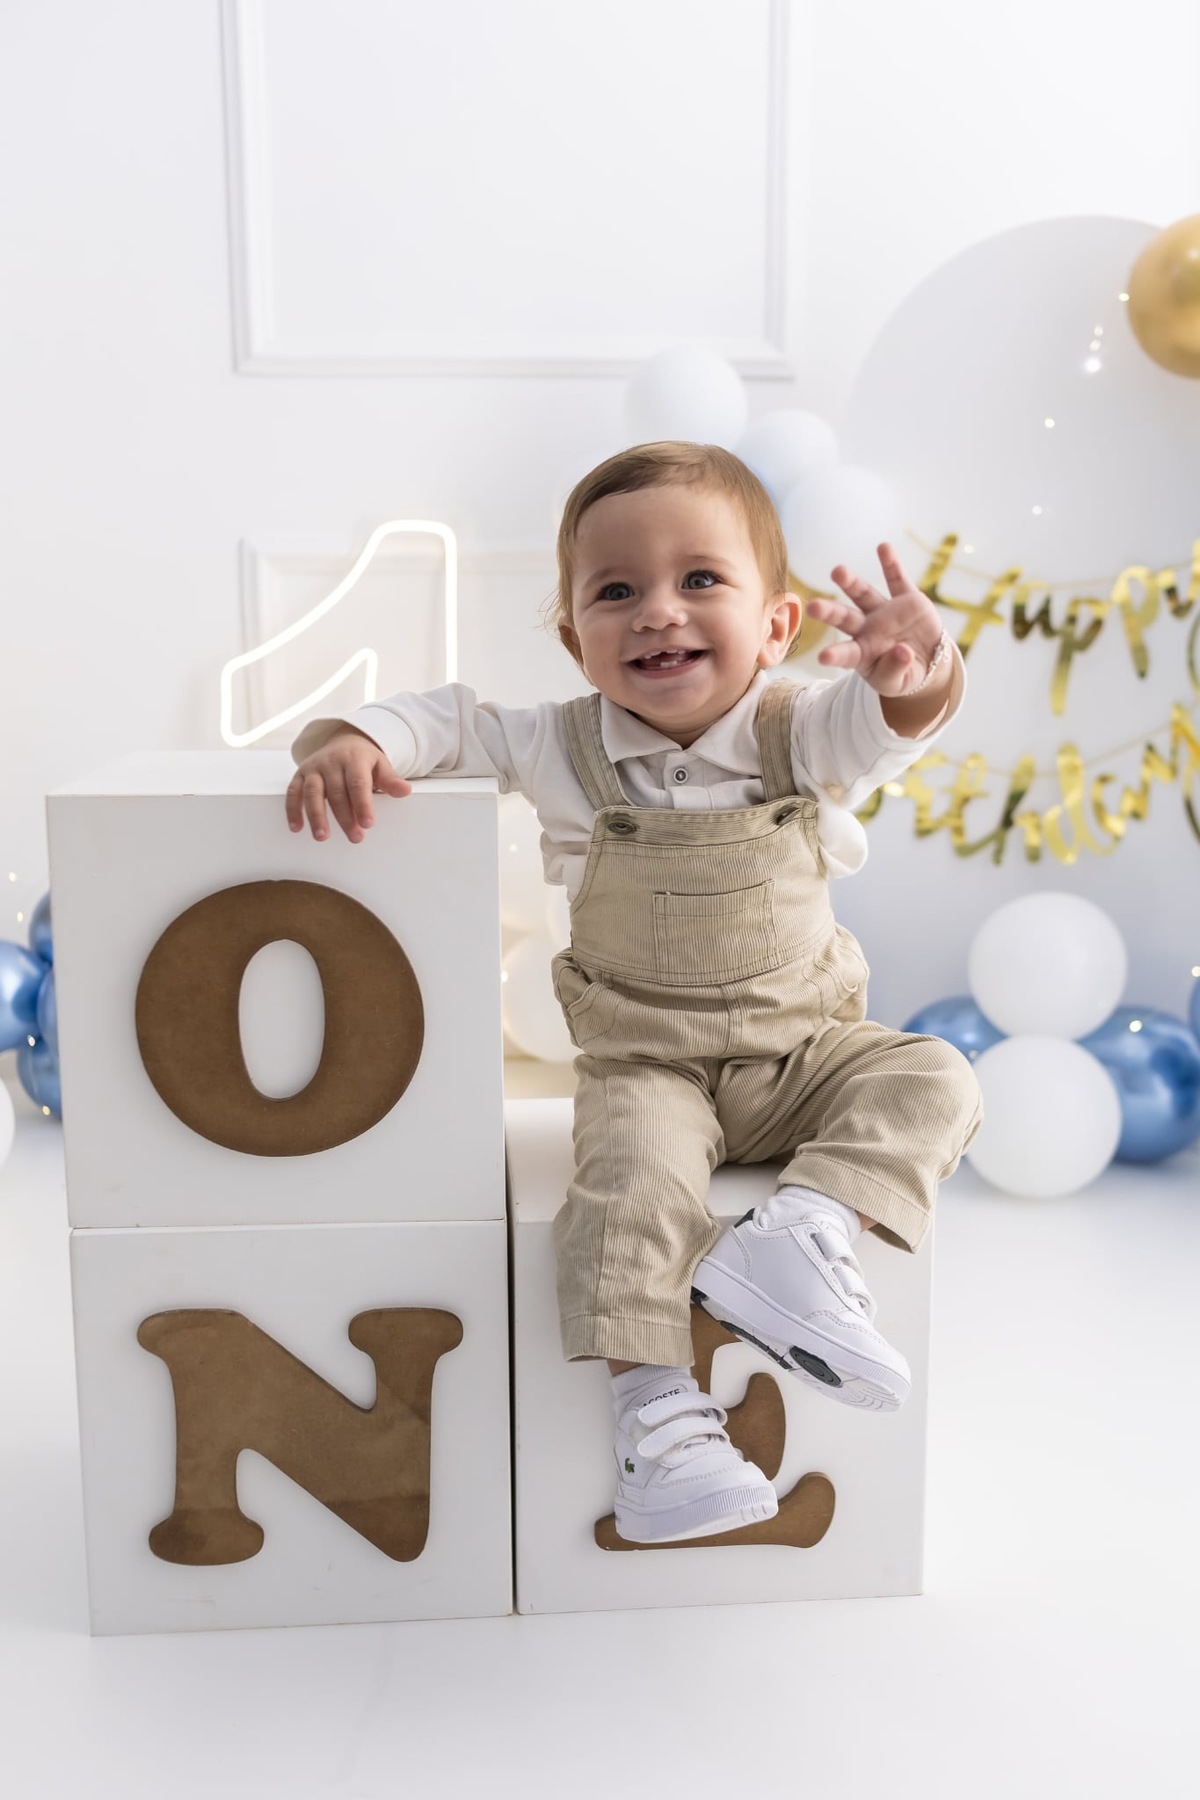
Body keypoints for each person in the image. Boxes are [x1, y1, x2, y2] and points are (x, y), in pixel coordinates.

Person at [287, 441, 983, 1546]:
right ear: (576, 638)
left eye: (700, 579)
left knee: (934, 1072)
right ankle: (658, 1421)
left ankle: (802, 1232)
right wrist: (351, 738)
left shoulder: (799, 728)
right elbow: (444, 718)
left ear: (775, 628)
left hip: (804, 1059)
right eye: (617, 591)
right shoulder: (558, 747)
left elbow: (896, 719)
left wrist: (919, 670)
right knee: (628, 1192)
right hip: (650, 1066)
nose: (658, 611)